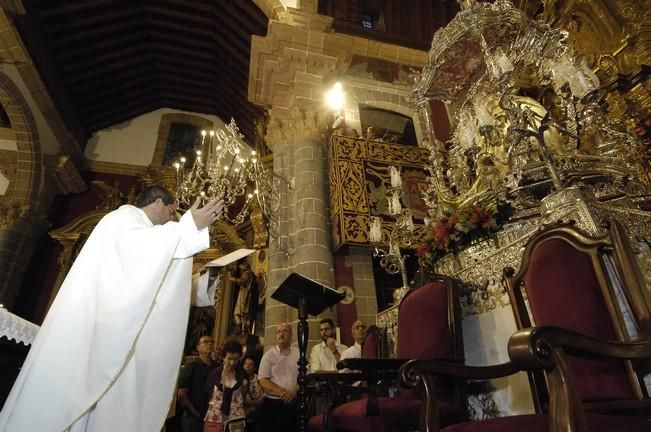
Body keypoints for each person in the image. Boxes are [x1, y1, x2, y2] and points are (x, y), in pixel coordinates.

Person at [0, 186, 224, 432]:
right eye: (172, 212)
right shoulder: (124, 217)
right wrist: (189, 226)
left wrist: (200, 278)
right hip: (97, 331)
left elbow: (154, 284)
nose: (172, 219)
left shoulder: (144, 235)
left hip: (116, 336)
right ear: (158, 203)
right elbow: (140, 257)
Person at [258, 323, 300, 432]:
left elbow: (305, 376)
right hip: (273, 406)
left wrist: (293, 392)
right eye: (278, 332)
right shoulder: (268, 355)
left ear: (291, 334)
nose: (281, 334)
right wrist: (283, 393)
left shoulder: (299, 354)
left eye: (285, 331)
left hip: (294, 403)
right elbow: (263, 380)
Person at [204, 340, 247, 432]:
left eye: (235, 359)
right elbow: (207, 396)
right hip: (215, 418)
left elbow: (243, 397)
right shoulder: (215, 374)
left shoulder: (242, 375)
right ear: (223, 358)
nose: (232, 363)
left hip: (235, 419)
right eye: (229, 358)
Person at [178, 335, 218, 432]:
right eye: (205, 342)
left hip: (213, 416)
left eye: (212, 342)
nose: (209, 344)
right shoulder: (190, 367)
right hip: (193, 417)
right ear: (198, 347)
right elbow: (182, 394)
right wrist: (195, 413)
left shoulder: (218, 368)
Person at [231, 262, 259, 334]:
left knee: (240, 312)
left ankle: (243, 329)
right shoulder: (250, 274)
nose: (240, 271)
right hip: (243, 294)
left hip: (244, 295)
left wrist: (233, 279)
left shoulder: (247, 273)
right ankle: (241, 328)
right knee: (238, 313)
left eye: (241, 269)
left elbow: (242, 281)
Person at [242, 355, 264, 432]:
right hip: (242, 413)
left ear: (254, 368)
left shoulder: (259, 379)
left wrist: (252, 407)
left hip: (255, 412)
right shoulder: (240, 379)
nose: (247, 366)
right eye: (245, 363)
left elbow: (261, 399)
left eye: (250, 364)